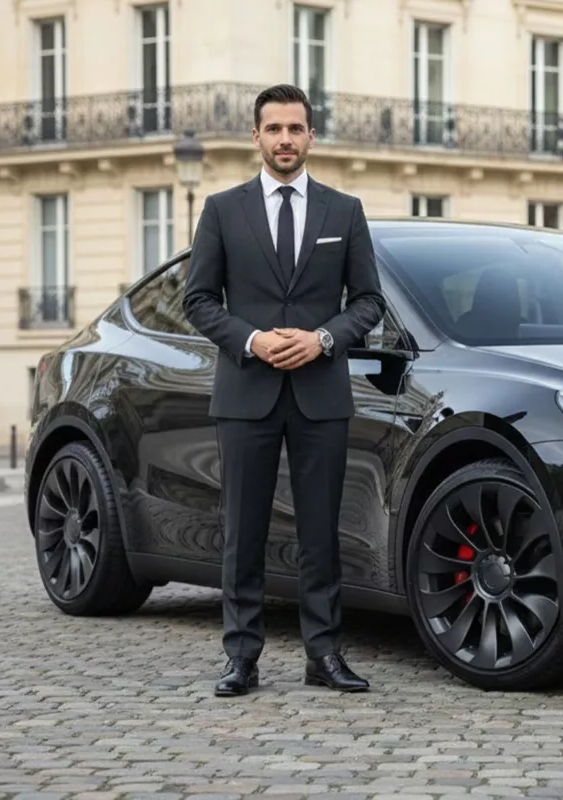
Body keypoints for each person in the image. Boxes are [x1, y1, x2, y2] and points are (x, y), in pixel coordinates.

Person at [182, 84, 385, 697]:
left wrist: (324, 338)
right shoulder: (222, 209)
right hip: (246, 392)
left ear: (311, 136)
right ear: (257, 137)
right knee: (242, 531)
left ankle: (323, 656)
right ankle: (240, 658)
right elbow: (196, 299)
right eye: (274, 130)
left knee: (321, 531)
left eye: (295, 129)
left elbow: (370, 302)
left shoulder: (343, 211)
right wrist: (251, 340)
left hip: (320, 394)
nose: (285, 140)